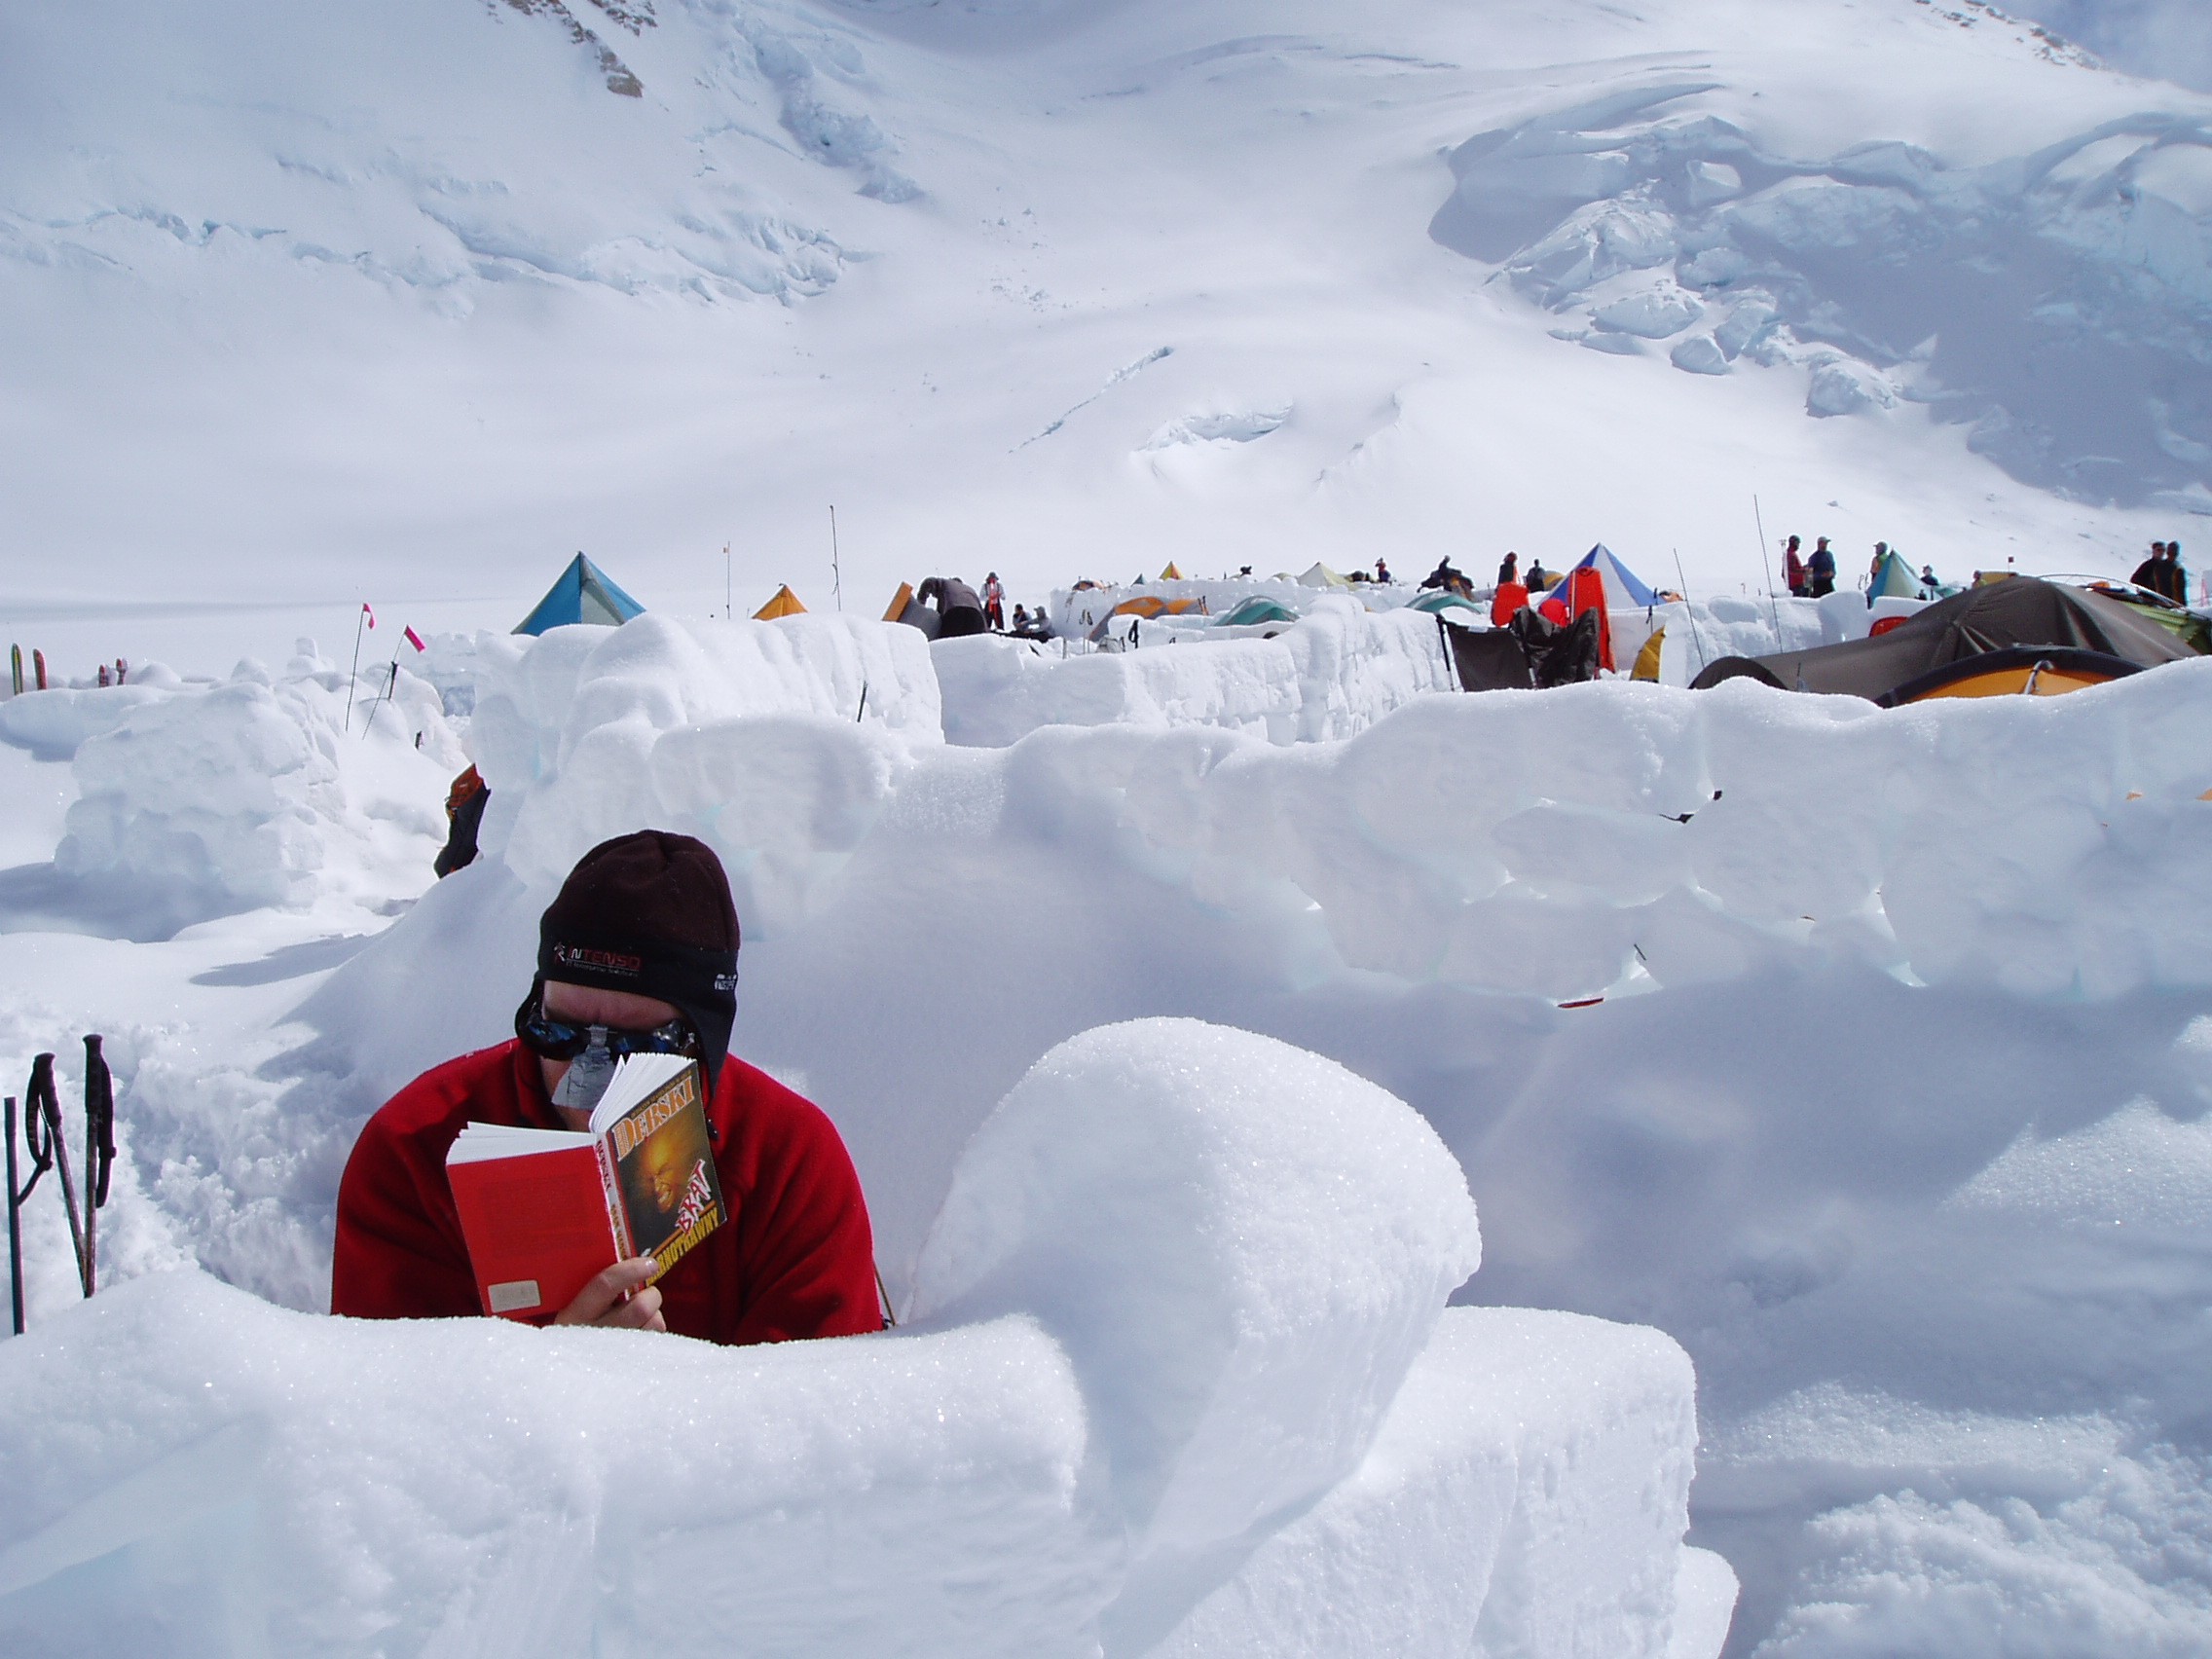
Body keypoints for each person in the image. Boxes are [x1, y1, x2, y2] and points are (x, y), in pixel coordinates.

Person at [333, 830, 881, 1345]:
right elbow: (386, 1419)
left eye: (637, 1047)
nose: (588, 1078)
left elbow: (818, 1420)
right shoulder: (419, 1147)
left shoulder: (790, 1161)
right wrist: (544, 1382)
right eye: (559, 1032)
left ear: (702, 1043)